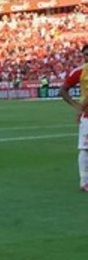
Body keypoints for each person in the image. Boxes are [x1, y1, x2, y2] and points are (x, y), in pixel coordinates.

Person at [57, 44, 88, 191]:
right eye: (86, 54)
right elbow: (63, 91)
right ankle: (84, 181)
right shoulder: (80, 71)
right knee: (86, 149)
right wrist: (77, 107)